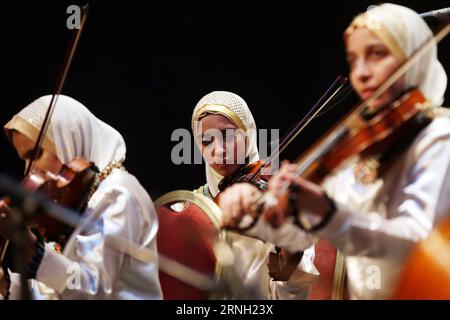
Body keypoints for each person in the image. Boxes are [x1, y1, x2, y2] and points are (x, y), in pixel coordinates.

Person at [217, 3, 450, 299]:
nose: (361, 73)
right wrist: (255, 218)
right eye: (354, 60)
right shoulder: (367, 145)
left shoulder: (439, 137)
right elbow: (303, 236)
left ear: (412, 54)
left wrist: (326, 212)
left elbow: (418, 246)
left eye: (377, 54)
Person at [0, 95, 162, 299]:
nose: (29, 171)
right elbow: (53, 292)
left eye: (36, 155)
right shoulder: (70, 201)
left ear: (66, 140)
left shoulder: (118, 194)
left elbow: (94, 287)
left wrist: (31, 247)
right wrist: (5, 285)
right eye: (24, 160)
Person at [187, 90, 318, 299]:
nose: (218, 150)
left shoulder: (278, 203)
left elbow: (291, 295)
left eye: (228, 136)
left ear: (248, 133)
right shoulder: (191, 209)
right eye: (206, 141)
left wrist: (287, 245)